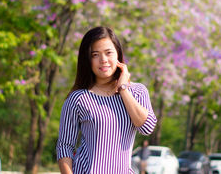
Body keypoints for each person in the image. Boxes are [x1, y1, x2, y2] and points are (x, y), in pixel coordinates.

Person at [56, 26, 157, 174]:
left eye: (108, 53)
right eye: (95, 55)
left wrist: (123, 89)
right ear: (87, 60)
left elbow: (147, 127)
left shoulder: (137, 92)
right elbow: (65, 146)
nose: (103, 60)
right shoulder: (78, 99)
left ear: (118, 54)